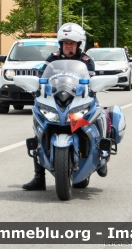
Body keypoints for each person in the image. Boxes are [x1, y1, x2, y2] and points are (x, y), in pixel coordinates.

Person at [22, 23, 104, 191]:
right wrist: (37, 86)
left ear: (79, 45)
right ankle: (39, 178)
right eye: (65, 43)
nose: (68, 46)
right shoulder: (52, 59)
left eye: (72, 43)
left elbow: (92, 83)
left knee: (99, 116)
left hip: (79, 101)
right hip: (57, 101)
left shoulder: (86, 62)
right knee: (40, 131)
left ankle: (101, 157)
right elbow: (41, 75)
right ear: (60, 44)